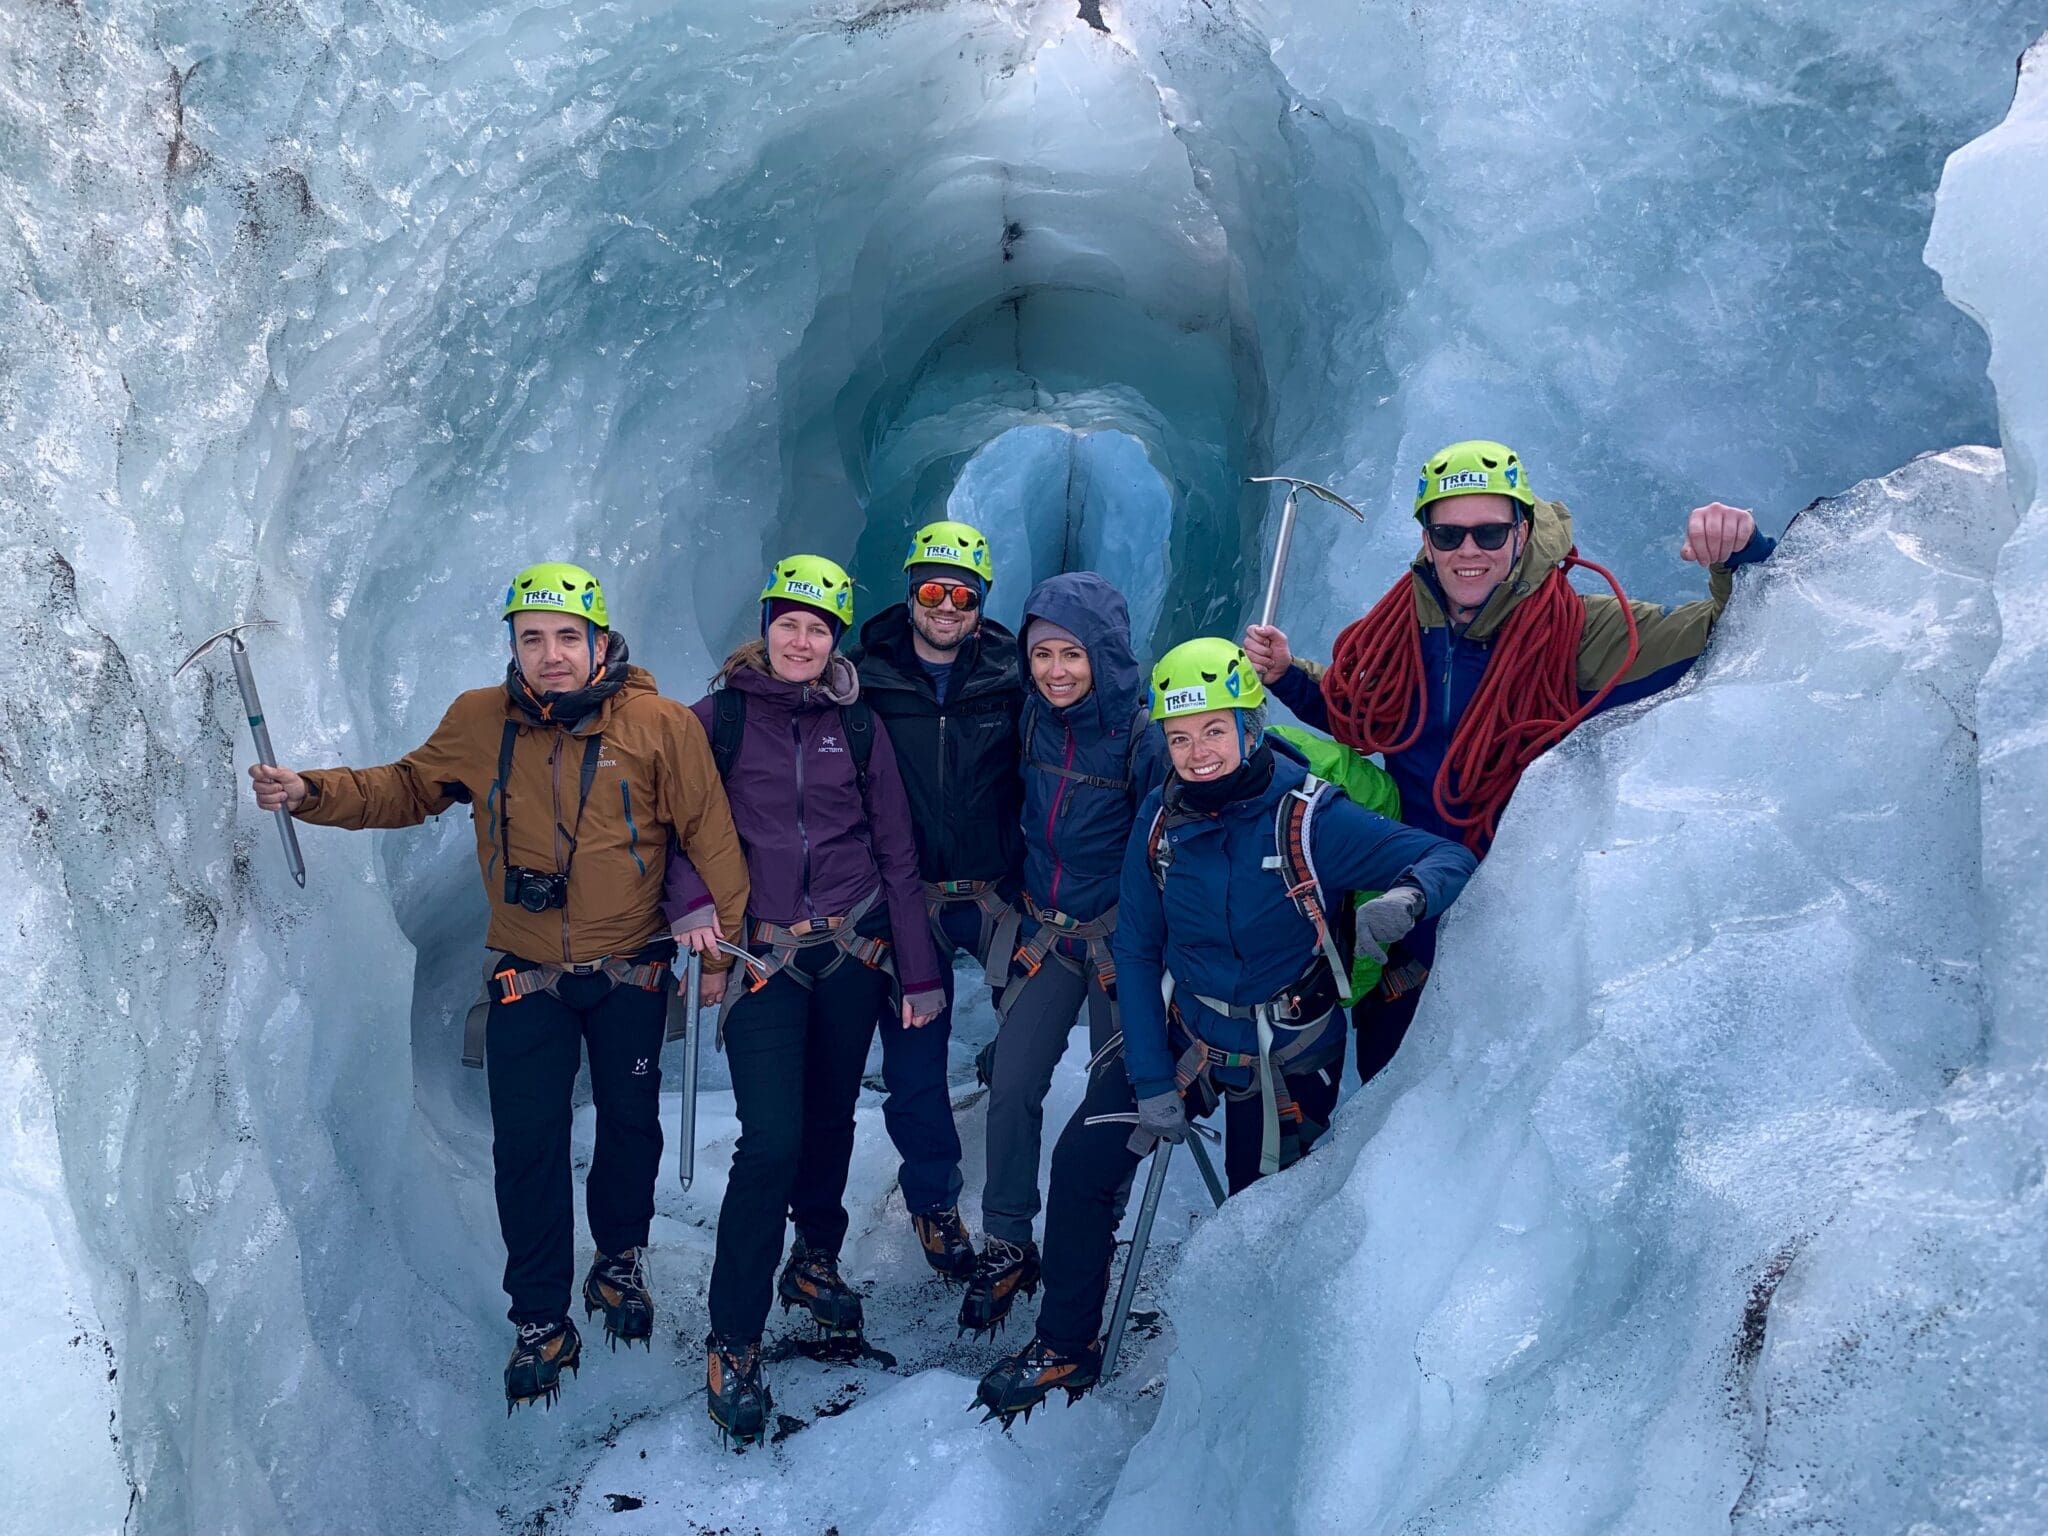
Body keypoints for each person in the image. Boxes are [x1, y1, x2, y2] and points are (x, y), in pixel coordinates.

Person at [248, 563, 749, 1413]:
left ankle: (619, 1261)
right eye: (532, 638)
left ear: (599, 642)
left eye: (566, 637)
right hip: (528, 977)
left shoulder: (660, 725)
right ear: (513, 644)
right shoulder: (480, 721)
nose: (550, 654)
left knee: (630, 1128)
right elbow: (405, 788)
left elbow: (712, 838)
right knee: (527, 1149)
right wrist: (311, 793)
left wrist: (720, 955)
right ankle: (541, 1316)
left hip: (631, 970)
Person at [974, 640, 1477, 1422]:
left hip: (1290, 1050)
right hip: (1188, 1035)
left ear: (1249, 725)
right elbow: (1136, 951)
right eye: (1179, 738)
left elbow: (1448, 854)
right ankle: (1065, 1346)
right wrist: (1148, 1079)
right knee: (1082, 1162)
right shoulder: (1159, 822)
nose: (1197, 753)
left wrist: (1407, 899)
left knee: (1258, 1222)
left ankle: (1247, 1385)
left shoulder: (1310, 820)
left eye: (1214, 731)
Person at [1244, 439, 1773, 1083]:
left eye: (1491, 531)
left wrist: (1739, 557)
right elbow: (1366, 716)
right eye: (1449, 533)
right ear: (1427, 540)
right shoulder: (1405, 623)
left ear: (1523, 532)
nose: (1470, 551)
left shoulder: (1577, 629)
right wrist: (1290, 678)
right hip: (1405, 913)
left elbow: (1732, 634)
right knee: (1385, 1096)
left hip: (1509, 930)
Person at [665, 554, 946, 1448]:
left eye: (818, 627)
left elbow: (896, 851)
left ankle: (814, 1261)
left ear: (835, 641)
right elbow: (675, 823)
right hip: (761, 957)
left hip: (853, 948)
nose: (801, 639)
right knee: (771, 1139)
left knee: (830, 1120)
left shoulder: (857, 726)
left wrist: (920, 968)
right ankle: (733, 1339)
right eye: (789, 621)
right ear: (768, 625)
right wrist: (690, 907)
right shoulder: (720, 718)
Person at [960, 572, 1166, 1338]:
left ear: (1104, 655)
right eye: (1042, 653)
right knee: (1013, 1086)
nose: (1055, 670)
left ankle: (1089, 1239)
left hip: (1117, 946)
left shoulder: (1143, 740)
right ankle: (1008, 1239)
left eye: (1072, 654)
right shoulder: (1030, 723)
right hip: (1045, 935)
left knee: (1108, 1111)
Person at [845, 519, 1026, 1282]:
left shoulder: (1013, 676)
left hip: (992, 891)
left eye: (962, 593)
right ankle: (934, 1199)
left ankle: (1018, 1193)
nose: (946, 605)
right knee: (915, 1063)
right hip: (907, 895)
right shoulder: (865, 678)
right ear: (910, 592)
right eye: (932, 589)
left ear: (980, 601)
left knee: (1026, 1045)